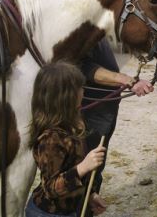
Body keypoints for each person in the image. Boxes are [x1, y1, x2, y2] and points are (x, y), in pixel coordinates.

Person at [66, 0, 155, 209]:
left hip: (102, 112)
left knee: (95, 169)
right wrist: (127, 80)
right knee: (81, 167)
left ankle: (89, 199)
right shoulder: (75, 25)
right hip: (87, 113)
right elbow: (84, 68)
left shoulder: (94, 20)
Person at [25, 62, 107, 217]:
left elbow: (70, 168)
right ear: (66, 96)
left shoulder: (73, 125)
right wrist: (83, 167)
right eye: (79, 88)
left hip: (71, 210)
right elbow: (51, 188)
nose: (83, 91)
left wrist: (89, 196)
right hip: (48, 214)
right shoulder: (50, 139)